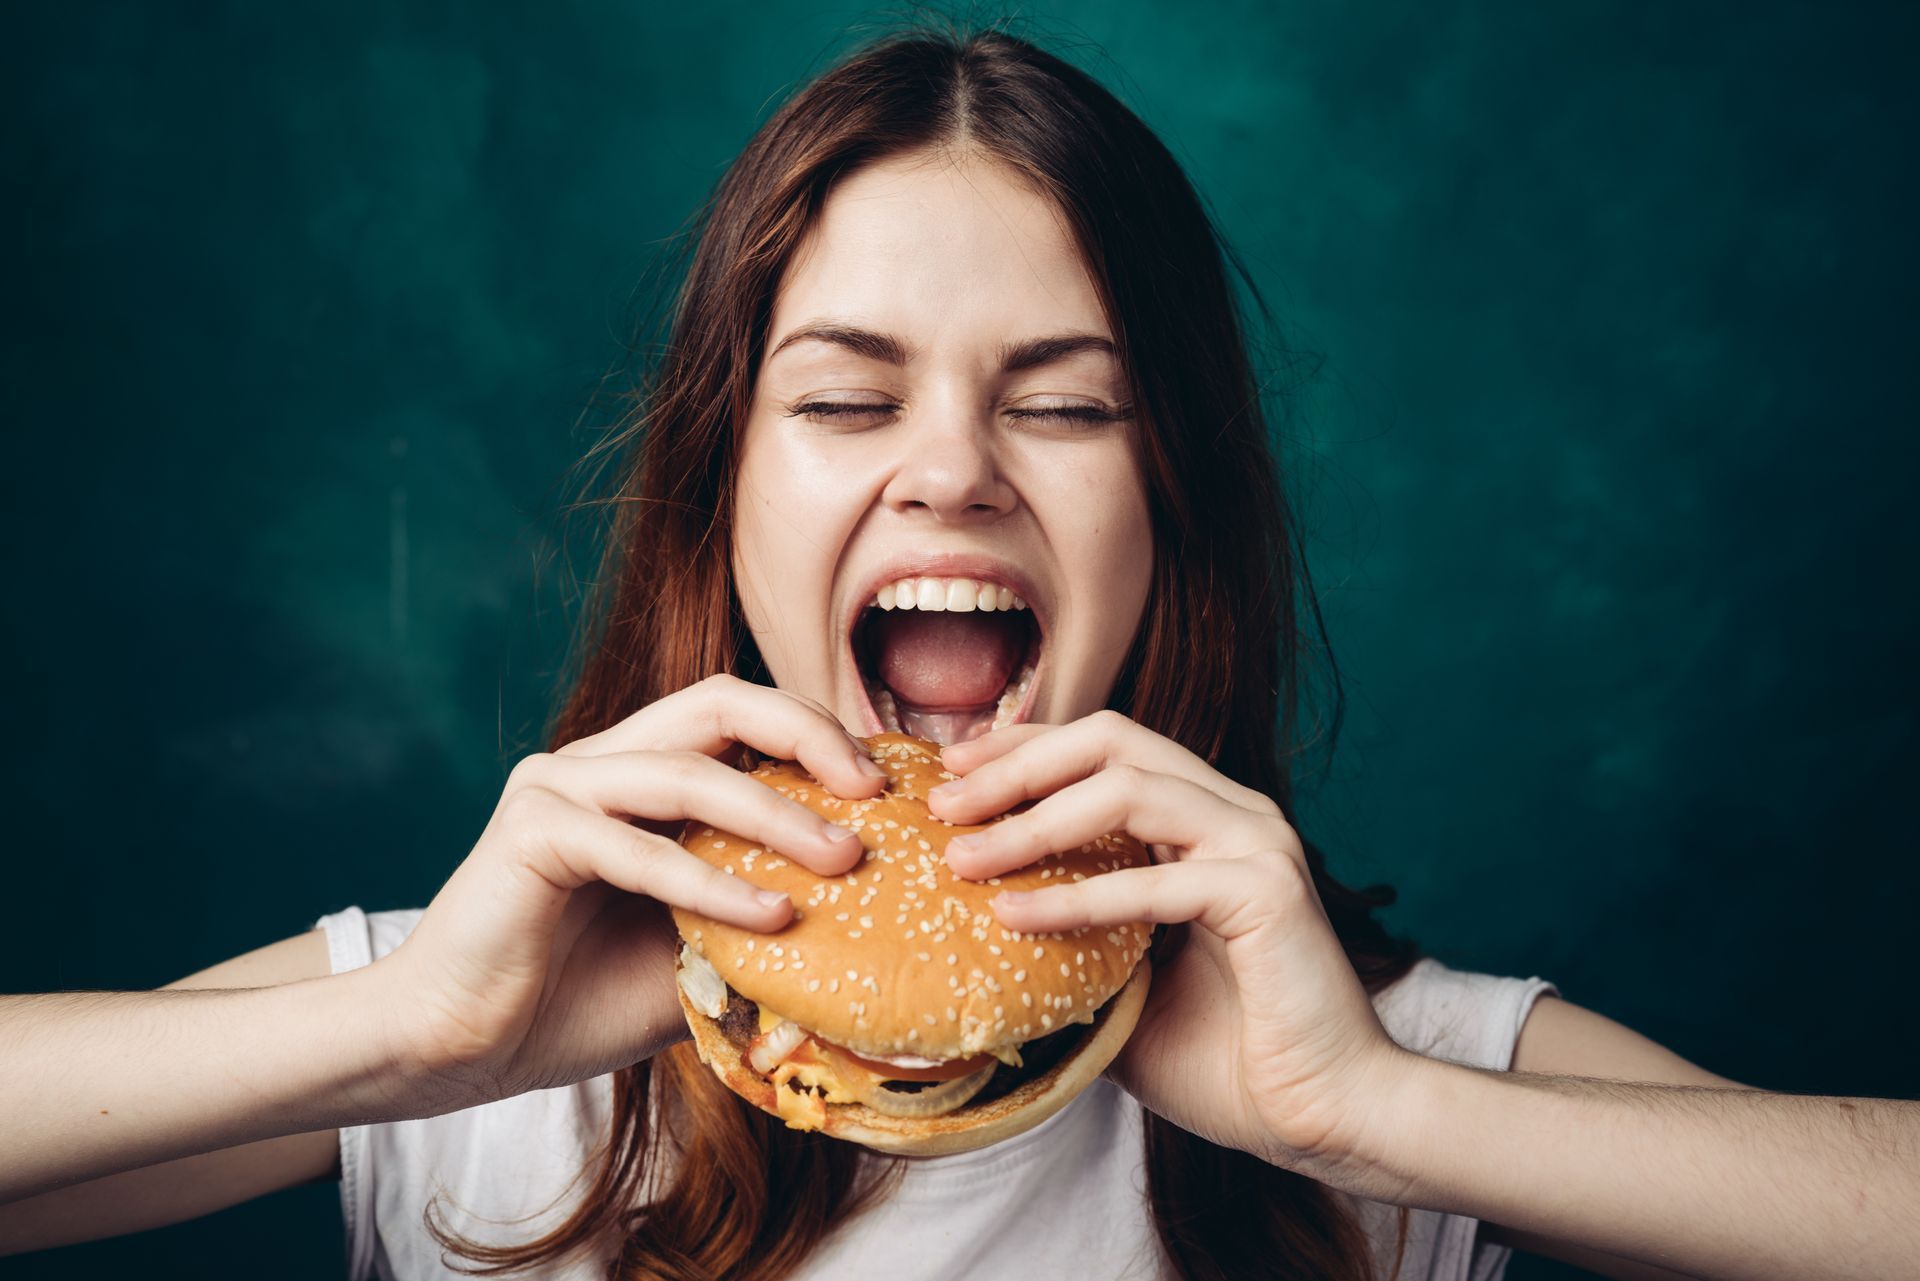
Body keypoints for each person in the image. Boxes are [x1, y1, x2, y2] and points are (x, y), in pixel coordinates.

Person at [3, 24, 1914, 1281]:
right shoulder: (485, 1035)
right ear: (720, 495)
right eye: (846, 399)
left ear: (1176, 508)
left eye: (1065, 411)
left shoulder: (1376, 1059)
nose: (951, 474)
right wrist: (407, 1033)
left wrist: (1387, 1114)